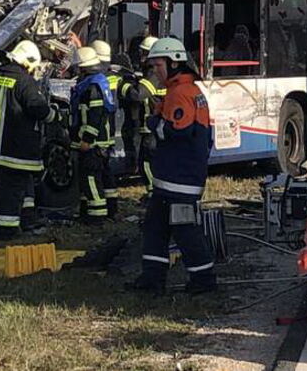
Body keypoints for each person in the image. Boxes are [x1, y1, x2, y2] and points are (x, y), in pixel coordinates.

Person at [130, 38, 216, 295]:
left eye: (158, 65)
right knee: (155, 228)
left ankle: (203, 280)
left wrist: (154, 122)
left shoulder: (180, 93)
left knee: (185, 230)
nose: (155, 71)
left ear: (174, 63)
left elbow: (177, 131)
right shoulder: (184, 90)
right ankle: (152, 279)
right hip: (172, 179)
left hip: (181, 180)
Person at [0, 40, 54, 239]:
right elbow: (38, 108)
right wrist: (54, 116)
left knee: (23, 180)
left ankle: (28, 217)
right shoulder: (24, 82)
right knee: (12, 189)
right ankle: (7, 230)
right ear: (28, 62)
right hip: (15, 151)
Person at [70, 47, 115, 225]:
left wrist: (87, 139)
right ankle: (105, 209)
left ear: (83, 67)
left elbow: (95, 116)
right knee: (100, 177)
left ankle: (97, 216)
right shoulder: (97, 83)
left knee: (91, 178)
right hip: (99, 142)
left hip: (93, 143)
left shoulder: (92, 87)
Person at [91, 40, 126, 218]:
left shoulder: (97, 80)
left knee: (96, 172)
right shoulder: (114, 76)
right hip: (110, 130)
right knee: (107, 170)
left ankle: (99, 212)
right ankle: (112, 207)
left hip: (99, 132)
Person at [127, 36, 165, 193]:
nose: (141, 56)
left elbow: (138, 94)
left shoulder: (154, 74)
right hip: (155, 124)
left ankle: (153, 193)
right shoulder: (157, 72)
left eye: (144, 53)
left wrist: (125, 86)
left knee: (147, 162)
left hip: (152, 125)